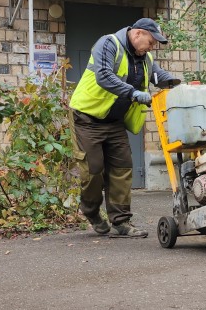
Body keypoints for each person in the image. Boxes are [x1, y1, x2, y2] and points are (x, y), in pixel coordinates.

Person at [69, 18, 177, 237]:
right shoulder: (108, 44)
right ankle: (91, 211)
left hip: (114, 121)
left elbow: (158, 75)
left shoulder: (144, 57)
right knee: (93, 170)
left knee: (122, 169)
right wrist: (134, 93)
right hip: (87, 117)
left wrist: (178, 85)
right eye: (151, 41)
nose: (153, 46)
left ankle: (121, 222)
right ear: (137, 34)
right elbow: (104, 76)